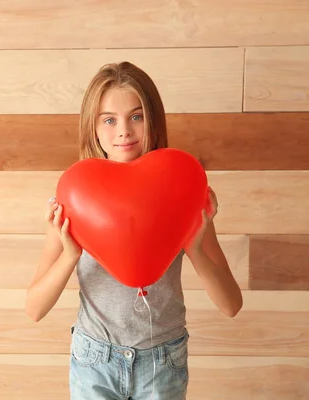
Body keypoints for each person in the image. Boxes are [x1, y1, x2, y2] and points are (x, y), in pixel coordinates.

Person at [25, 62, 243, 400]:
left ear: (154, 121)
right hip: (94, 360)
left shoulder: (182, 191)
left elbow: (231, 304)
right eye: (109, 119)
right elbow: (34, 309)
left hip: (163, 360)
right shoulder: (73, 198)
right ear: (93, 128)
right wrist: (71, 253)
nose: (124, 131)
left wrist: (195, 246)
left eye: (136, 116)